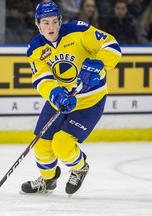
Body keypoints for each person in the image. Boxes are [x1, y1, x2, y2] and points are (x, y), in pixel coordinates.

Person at [21, 1, 121, 196]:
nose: (50, 27)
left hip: (90, 101)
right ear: (38, 24)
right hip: (61, 100)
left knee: (62, 144)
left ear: (60, 21)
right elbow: (41, 78)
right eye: (45, 23)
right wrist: (56, 95)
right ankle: (48, 180)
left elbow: (112, 46)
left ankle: (80, 167)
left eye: (54, 21)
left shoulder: (78, 31)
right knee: (41, 145)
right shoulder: (35, 48)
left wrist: (98, 63)